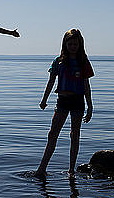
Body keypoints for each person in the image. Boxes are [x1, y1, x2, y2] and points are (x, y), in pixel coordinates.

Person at [35, 28, 94, 177]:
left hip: (77, 101)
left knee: (74, 135)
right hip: (62, 101)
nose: (73, 46)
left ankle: (71, 170)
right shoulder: (59, 61)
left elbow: (86, 86)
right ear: (65, 44)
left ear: (80, 44)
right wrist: (44, 99)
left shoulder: (83, 62)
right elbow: (51, 82)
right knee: (52, 133)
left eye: (75, 44)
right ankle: (42, 168)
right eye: (70, 44)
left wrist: (90, 106)